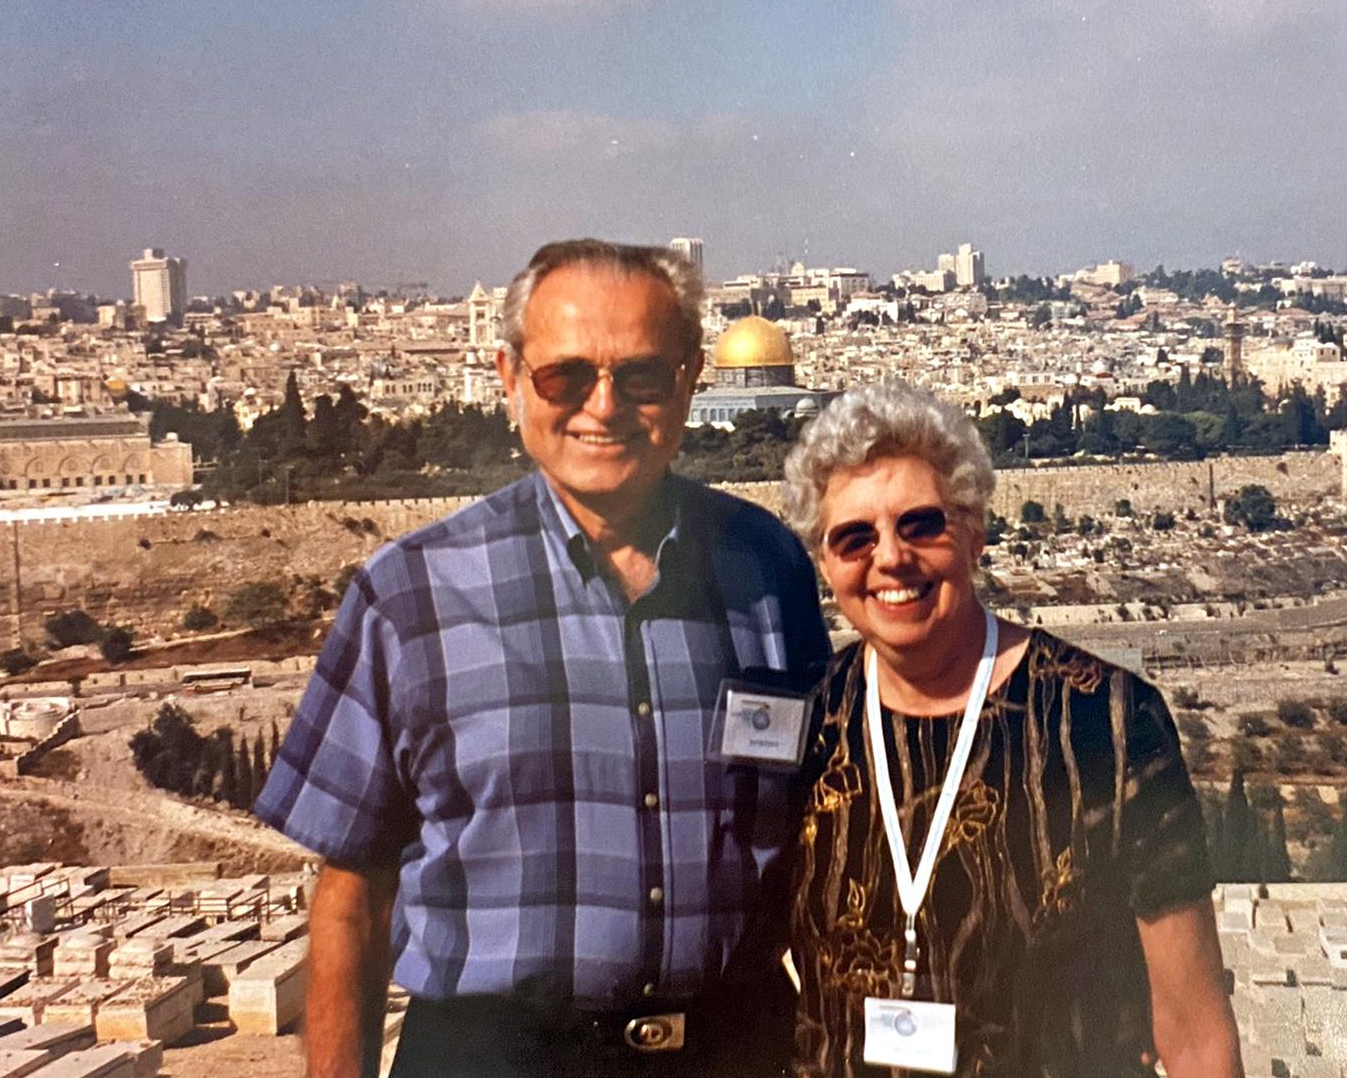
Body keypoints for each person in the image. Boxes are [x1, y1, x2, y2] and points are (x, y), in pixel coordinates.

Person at [256, 240, 829, 1078]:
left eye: (639, 375)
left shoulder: (767, 566)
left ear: (689, 377)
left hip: (732, 1048)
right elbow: (350, 901)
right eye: (566, 377)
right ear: (510, 378)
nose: (603, 406)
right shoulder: (410, 595)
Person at [779, 380, 1241, 1078]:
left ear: (974, 531)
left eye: (921, 524)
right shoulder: (814, 722)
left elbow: (1193, 1026)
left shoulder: (1105, 721)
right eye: (853, 537)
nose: (890, 558)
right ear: (826, 562)